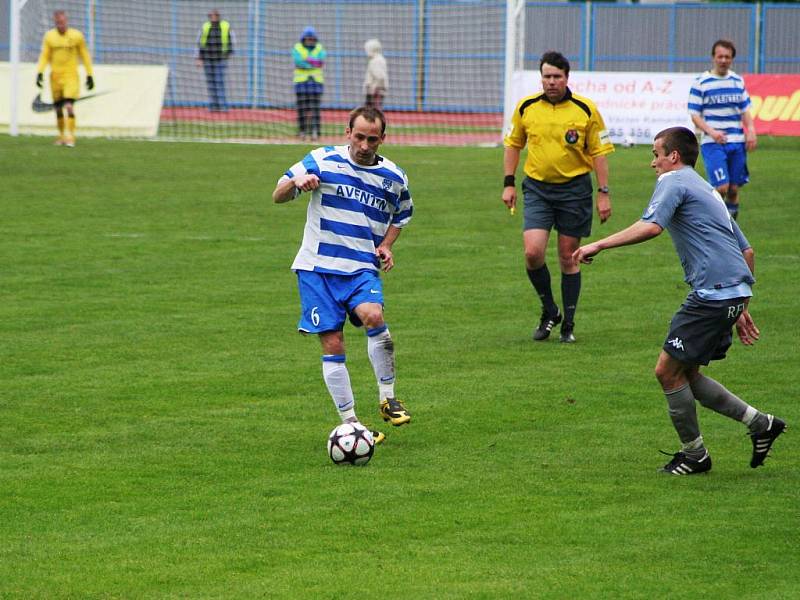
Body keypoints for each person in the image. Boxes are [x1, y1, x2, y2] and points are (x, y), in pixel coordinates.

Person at [573, 126, 785, 475]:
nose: (652, 162)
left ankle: (695, 456)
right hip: (730, 291)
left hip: (712, 293)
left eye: (656, 154)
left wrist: (599, 243)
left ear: (673, 156)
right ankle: (760, 423)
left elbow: (651, 226)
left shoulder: (673, 182)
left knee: (667, 372)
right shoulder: (707, 189)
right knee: (686, 372)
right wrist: (740, 303)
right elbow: (747, 250)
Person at [272, 106, 413, 443]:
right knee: (333, 342)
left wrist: (388, 246)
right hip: (316, 269)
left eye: (372, 139)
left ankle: (387, 397)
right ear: (347, 132)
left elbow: (403, 215)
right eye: (359, 137)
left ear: (383, 138)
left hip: (361, 267)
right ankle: (353, 423)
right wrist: (296, 182)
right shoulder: (321, 159)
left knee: (373, 315)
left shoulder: (394, 177)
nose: (365, 145)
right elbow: (277, 194)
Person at [502, 51, 613, 343]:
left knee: (568, 256)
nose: (551, 82)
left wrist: (603, 193)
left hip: (574, 191)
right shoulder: (526, 107)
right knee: (532, 253)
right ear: (541, 78)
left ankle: (569, 323)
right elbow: (513, 144)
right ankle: (550, 310)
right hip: (538, 189)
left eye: (557, 77)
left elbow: (599, 153)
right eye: (547, 76)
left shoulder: (585, 109)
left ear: (567, 78)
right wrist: (509, 183)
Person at [688, 39, 757, 220]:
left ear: (732, 59)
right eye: (720, 56)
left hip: (737, 142)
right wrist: (712, 132)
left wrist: (750, 130)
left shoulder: (736, 81)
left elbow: (745, 110)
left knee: (733, 189)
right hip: (713, 143)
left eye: (727, 57)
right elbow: (694, 115)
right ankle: (714, 224)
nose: (723, 60)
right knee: (721, 187)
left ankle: (731, 228)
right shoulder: (701, 82)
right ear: (713, 57)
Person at [35, 10, 94, 148]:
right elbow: (44, 55)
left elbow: (84, 55)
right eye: (57, 23)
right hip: (55, 77)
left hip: (70, 77)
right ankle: (61, 136)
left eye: (62, 22)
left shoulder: (76, 36)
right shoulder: (50, 37)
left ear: (66, 21)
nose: (60, 25)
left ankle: (71, 137)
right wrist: (40, 72)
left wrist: (89, 74)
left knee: (68, 106)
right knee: (58, 109)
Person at [195, 9, 234, 112]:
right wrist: (199, 58)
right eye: (211, 16)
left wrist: (229, 54)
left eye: (214, 15)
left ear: (218, 16)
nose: (212, 17)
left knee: (219, 81)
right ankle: (214, 105)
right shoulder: (205, 26)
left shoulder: (225, 26)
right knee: (210, 82)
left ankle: (223, 106)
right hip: (208, 59)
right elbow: (199, 43)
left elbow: (232, 40)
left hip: (220, 59)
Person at [293, 27, 326, 140]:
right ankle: (302, 131)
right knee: (302, 108)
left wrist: (307, 60)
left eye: (312, 38)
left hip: (316, 83)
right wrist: (311, 63)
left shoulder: (319, 48)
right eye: (308, 38)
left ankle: (315, 131)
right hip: (301, 83)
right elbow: (298, 62)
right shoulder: (297, 47)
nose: (310, 40)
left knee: (315, 108)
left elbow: (320, 61)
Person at [363, 38, 388, 109]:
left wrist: (374, 90)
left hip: (374, 92)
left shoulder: (376, 61)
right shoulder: (378, 59)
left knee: (372, 113)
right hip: (374, 92)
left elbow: (380, 77)